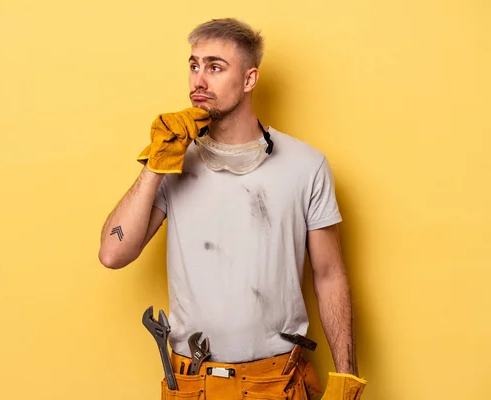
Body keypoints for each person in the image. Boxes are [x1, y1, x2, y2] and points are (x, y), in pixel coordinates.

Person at [99, 18, 367, 400]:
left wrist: (347, 377)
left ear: (249, 79)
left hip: (277, 383)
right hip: (193, 382)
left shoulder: (306, 165)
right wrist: (156, 166)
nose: (199, 81)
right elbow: (112, 254)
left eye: (215, 67)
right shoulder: (173, 161)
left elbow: (329, 275)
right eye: (193, 66)